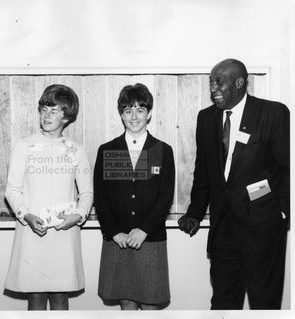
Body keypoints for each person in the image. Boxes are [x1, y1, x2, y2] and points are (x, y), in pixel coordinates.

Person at [178, 59, 290, 309]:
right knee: (223, 303)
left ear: (240, 83)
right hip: (223, 230)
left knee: (264, 303)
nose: (213, 87)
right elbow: (204, 170)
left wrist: (282, 213)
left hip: (263, 227)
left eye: (219, 81)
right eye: (210, 82)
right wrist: (195, 212)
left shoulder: (273, 113)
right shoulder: (206, 118)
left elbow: (286, 168)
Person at [4, 84, 93, 310]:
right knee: (35, 296)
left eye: (54, 111)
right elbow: (12, 190)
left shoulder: (76, 150)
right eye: (44, 109)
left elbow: (87, 193)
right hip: (32, 231)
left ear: (67, 116)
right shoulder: (24, 146)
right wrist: (26, 215)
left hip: (64, 232)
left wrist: (78, 216)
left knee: (60, 297)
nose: (47, 115)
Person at [94, 83, 175, 310]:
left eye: (140, 110)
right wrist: (114, 232)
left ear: (149, 113)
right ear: (121, 114)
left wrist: (144, 230)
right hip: (118, 240)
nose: (134, 116)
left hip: (150, 239)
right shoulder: (109, 150)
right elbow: (101, 198)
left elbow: (165, 196)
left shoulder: (162, 150)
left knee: (150, 306)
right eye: (128, 110)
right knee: (127, 304)